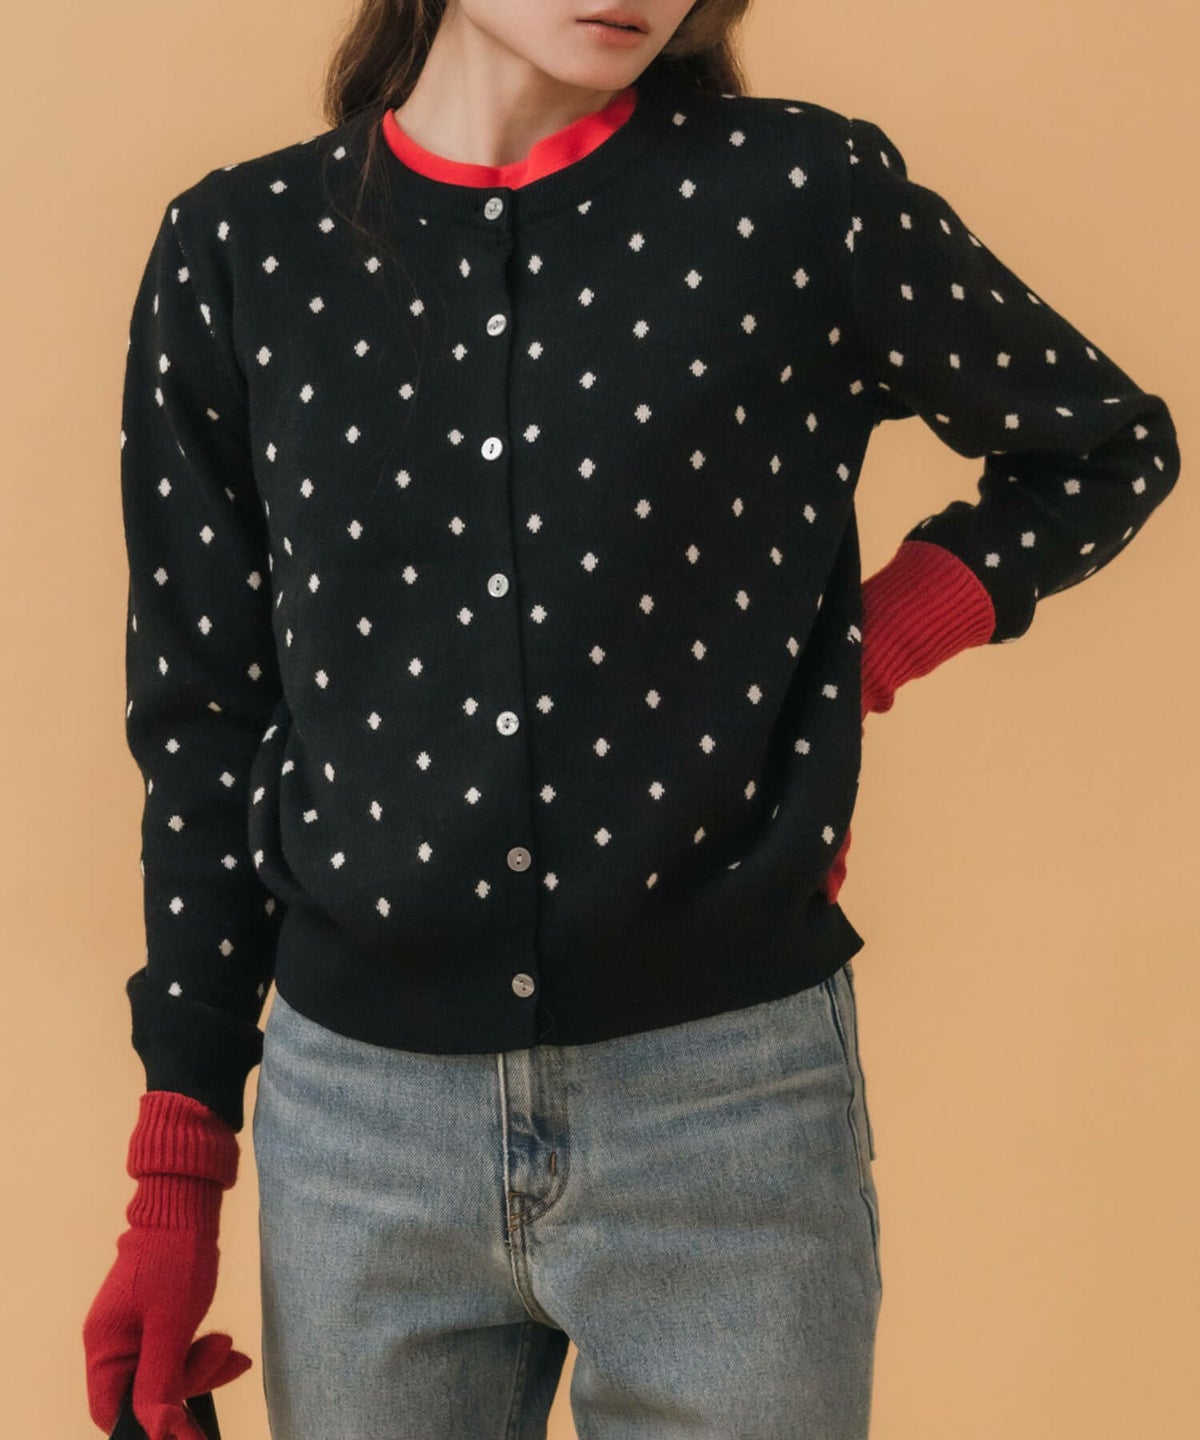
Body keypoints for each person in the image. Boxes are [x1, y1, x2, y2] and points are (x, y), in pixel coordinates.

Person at [82, 2, 1181, 1437]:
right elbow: (206, 725)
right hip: (357, 1141)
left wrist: (870, 645)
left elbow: (1102, 447)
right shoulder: (242, 250)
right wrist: (174, 1188)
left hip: (727, 1110)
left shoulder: (795, 197)